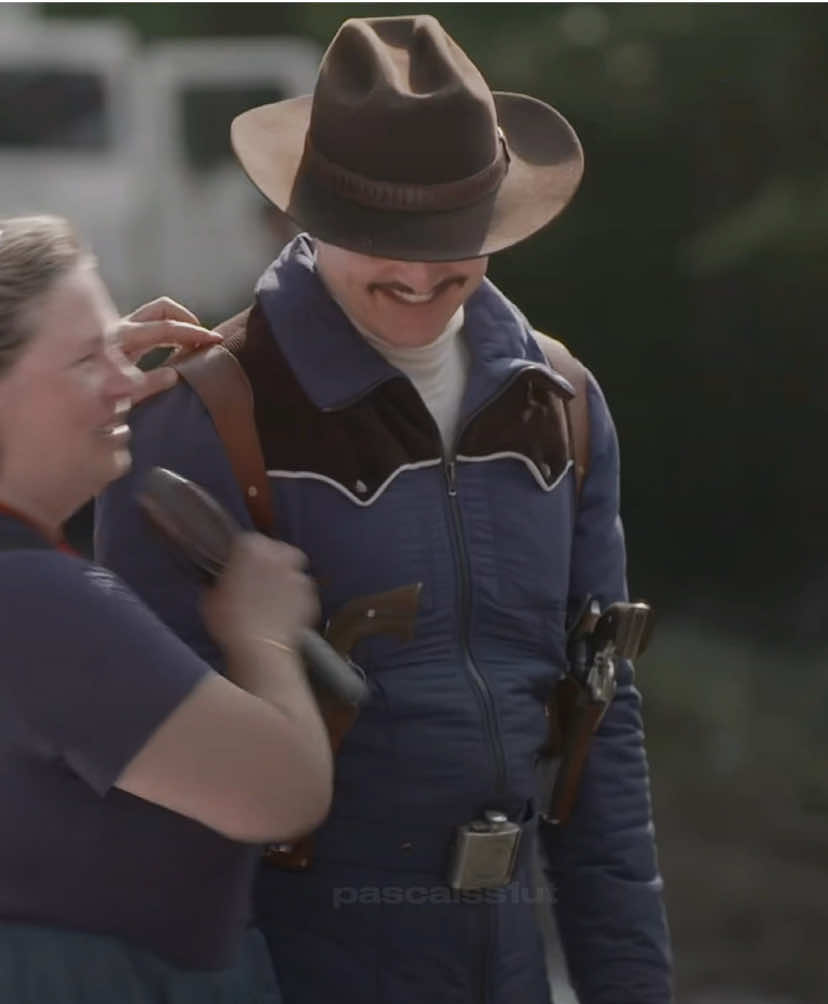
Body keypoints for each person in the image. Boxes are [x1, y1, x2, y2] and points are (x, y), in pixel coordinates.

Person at [96, 15, 673, 1004]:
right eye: (386, 257)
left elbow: (600, 721)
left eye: (451, 260)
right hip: (295, 959)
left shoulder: (562, 403)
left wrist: (630, 981)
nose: (419, 289)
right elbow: (152, 768)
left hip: (509, 957)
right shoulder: (206, 415)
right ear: (304, 215)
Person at [0, 215, 333, 1002]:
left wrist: (80, 363)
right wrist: (262, 635)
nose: (125, 377)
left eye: (116, 348)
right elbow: (282, 791)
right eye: (88, 360)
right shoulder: (39, 602)